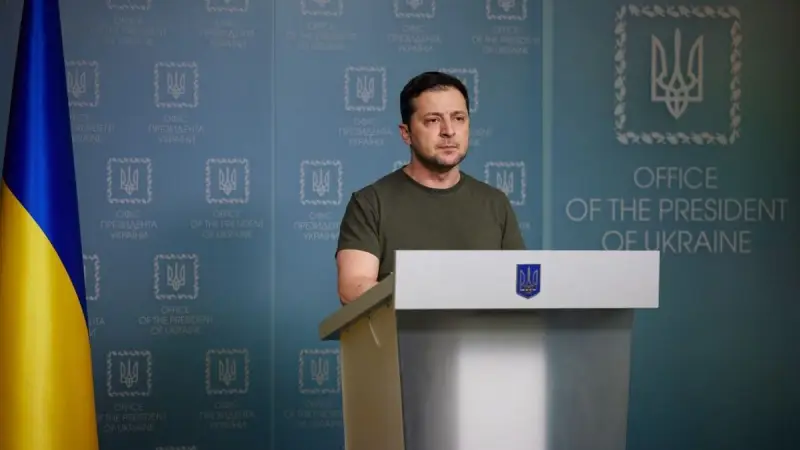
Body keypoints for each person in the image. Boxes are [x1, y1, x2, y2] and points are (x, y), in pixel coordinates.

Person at [335, 71, 526, 304]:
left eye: (458, 118)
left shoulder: (495, 203)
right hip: (401, 329)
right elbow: (353, 287)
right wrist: (437, 296)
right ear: (406, 133)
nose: (449, 131)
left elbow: (520, 290)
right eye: (433, 120)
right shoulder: (370, 204)